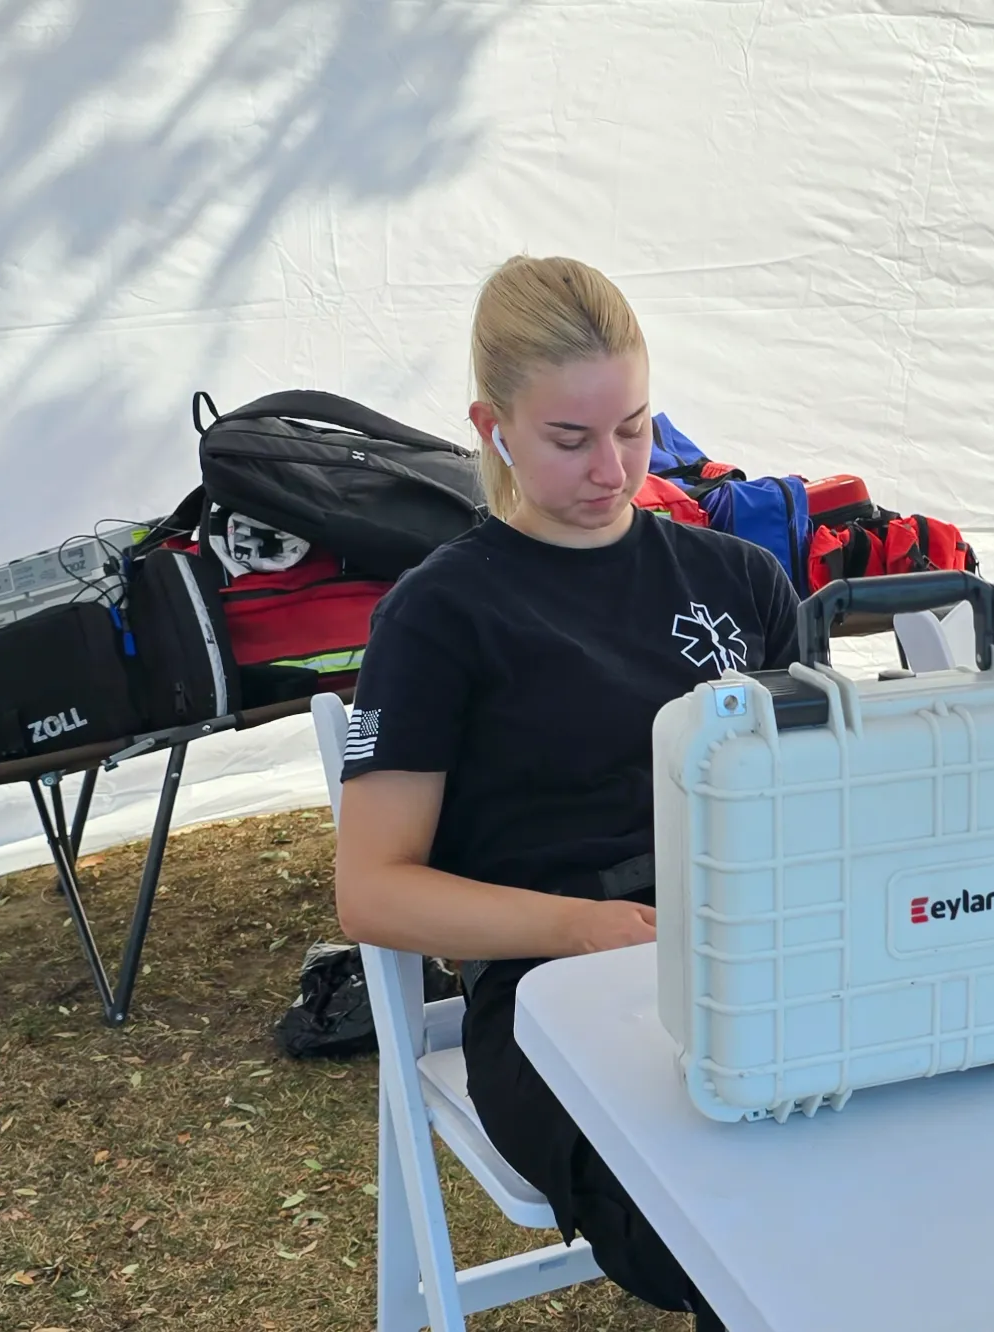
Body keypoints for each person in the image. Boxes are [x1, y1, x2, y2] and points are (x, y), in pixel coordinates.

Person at [333, 254, 801, 1329]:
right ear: (490, 425)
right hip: (548, 995)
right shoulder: (438, 617)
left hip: (755, 954)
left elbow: (802, 798)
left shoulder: (738, 582)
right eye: (571, 439)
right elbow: (374, 891)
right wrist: (591, 930)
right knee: (740, 1228)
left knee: (904, 1162)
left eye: (634, 427)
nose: (613, 469)